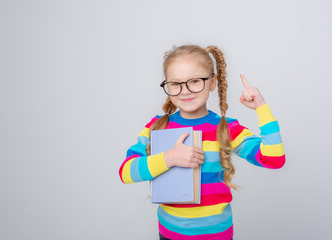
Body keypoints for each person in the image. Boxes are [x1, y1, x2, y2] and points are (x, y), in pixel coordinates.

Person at [118, 44, 285, 240]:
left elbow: (274, 159)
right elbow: (126, 172)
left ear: (212, 82)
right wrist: (170, 158)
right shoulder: (156, 127)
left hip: (218, 235)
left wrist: (262, 109)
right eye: (175, 83)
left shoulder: (227, 128)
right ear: (167, 86)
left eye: (195, 81)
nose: (185, 91)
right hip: (170, 235)